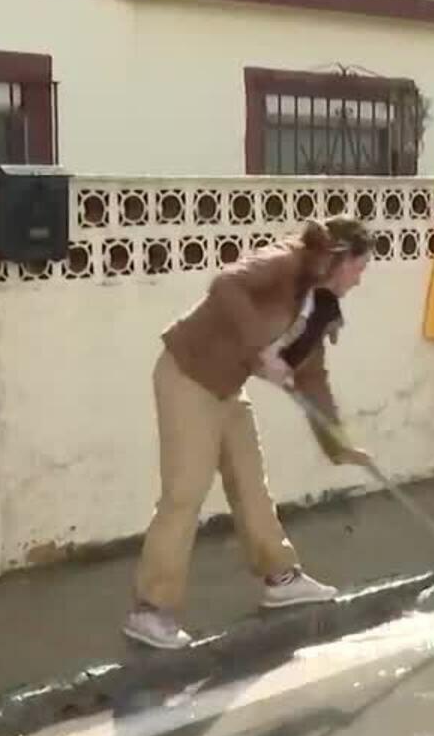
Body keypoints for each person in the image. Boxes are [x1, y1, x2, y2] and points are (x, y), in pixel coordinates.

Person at [123, 218, 376, 650]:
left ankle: (280, 578)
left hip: (226, 386)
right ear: (339, 258)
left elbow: (312, 378)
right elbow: (225, 286)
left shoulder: (319, 305)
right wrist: (261, 349)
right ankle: (150, 611)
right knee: (184, 492)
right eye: (359, 267)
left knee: (250, 484)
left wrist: (341, 446)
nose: (360, 279)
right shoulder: (285, 261)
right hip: (187, 374)